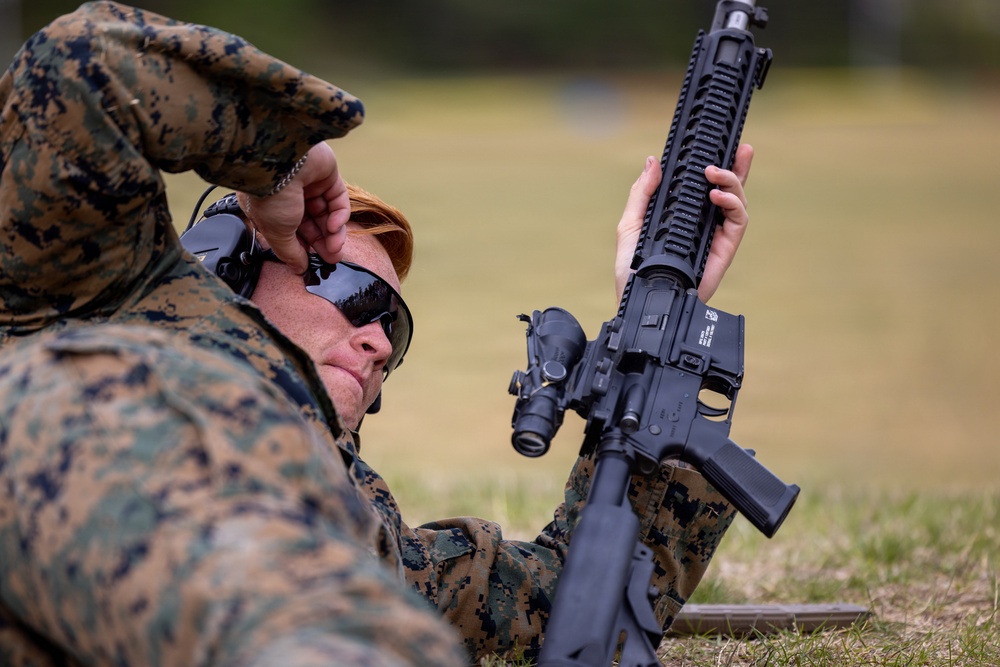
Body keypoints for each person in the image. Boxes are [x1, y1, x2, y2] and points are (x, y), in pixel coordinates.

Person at [0, 2, 751, 665]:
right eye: (352, 292)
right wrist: (281, 156)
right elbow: (76, 68)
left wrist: (657, 314)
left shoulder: (361, 527)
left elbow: (562, 603)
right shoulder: (94, 293)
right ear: (226, 265)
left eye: (395, 324)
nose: (380, 341)